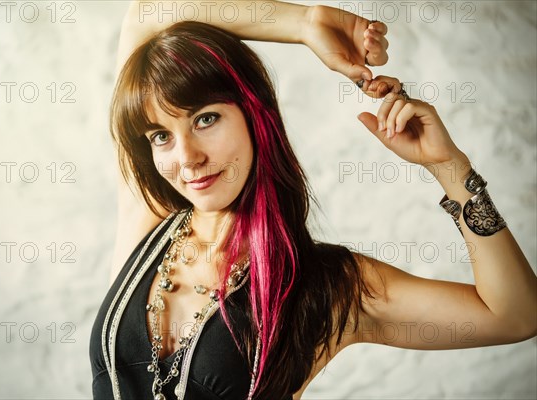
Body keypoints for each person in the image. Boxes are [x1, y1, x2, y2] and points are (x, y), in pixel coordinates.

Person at [89, 1, 537, 399]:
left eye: (206, 119)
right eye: (161, 135)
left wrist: (451, 169)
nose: (187, 158)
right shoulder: (148, 216)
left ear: (254, 116)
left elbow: (513, 315)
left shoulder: (325, 288)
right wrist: (306, 22)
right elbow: (147, 13)